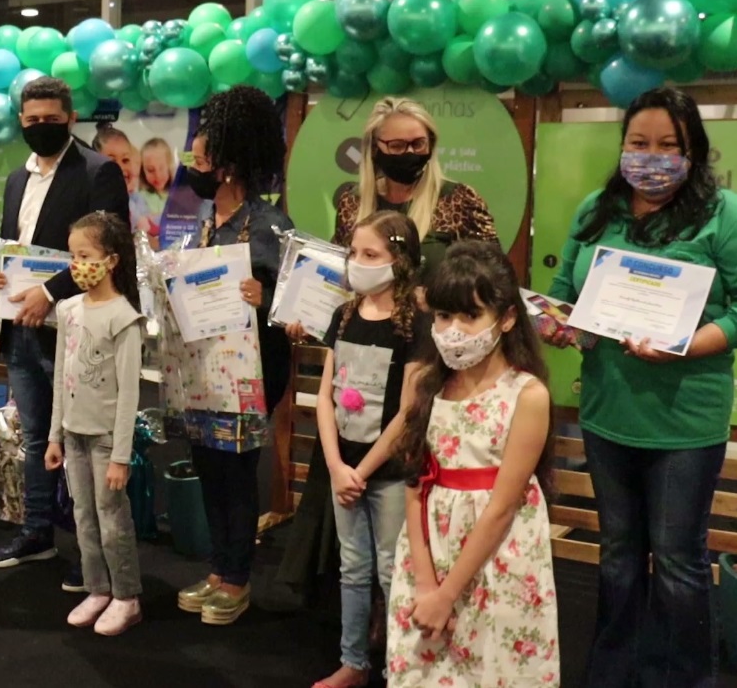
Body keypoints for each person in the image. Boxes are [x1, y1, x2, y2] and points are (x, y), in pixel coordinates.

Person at [544, 87, 736, 688]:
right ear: (622, 145)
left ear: (693, 152)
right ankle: (613, 670)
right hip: (608, 413)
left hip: (684, 422)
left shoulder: (722, 213)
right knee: (619, 556)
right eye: (639, 143)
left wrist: (686, 342)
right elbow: (563, 288)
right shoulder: (597, 208)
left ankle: (681, 677)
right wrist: (557, 322)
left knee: (679, 563)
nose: (651, 157)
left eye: (668, 146)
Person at [0, 77, 129, 588]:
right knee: (38, 437)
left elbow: (112, 250)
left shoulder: (98, 170)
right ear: (21, 121)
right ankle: (37, 533)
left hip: (77, 332)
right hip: (22, 330)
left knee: (86, 444)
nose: (41, 127)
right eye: (32, 120)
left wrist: (51, 292)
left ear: (69, 116)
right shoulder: (19, 179)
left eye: (51, 118)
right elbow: (15, 249)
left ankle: (100, 563)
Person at [387, 240, 558, 686]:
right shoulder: (425, 383)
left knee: (492, 665)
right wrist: (426, 583)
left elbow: (503, 505)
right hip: (428, 549)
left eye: (471, 315)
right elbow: (413, 481)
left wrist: (448, 593)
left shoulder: (527, 395)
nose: (454, 330)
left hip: (494, 557)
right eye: (444, 316)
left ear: (506, 318)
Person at [173, 85, 293, 626]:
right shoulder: (202, 228)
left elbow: (297, 306)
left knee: (239, 475)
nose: (192, 168)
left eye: (199, 159)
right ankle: (218, 568)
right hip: (201, 373)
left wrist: (265, 298)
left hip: (250, 375)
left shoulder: (270, 226)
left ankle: (239, 577)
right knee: (210, 471)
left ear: (226, 166)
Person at [311, 210, 428, 688]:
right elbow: (324, 395)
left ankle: (400, 667)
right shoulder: (342, 315)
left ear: (398, 260)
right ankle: (354, 661)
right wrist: (338, 466)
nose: (358, 263)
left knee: (391, 571)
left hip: (389, 473)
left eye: (371, 255)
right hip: (345, 470)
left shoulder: (416, 323)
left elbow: (408, 411)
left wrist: (363, 469)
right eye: (354, 253)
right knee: (353, 568)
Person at [44, 211, 145, 636]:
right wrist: (55, 435)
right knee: (83, 514)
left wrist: (121, 455)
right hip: (74, 435)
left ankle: (127, 596)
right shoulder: (68, 310)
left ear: (111, 261)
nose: (76, 264)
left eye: (85, 255)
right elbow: (60, 378)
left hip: (105, 439)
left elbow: (128, 396)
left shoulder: (124, 318)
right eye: (72, 256)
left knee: (111, 517)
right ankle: (97, 587)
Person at [331, 97, 497, 287]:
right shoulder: (353, 202)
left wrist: (433, 299)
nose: (409, 153)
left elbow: (493, 277)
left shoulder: (460, 200)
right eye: (397, 146)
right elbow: (338, 271)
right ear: (375, 149)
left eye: (418, 144)